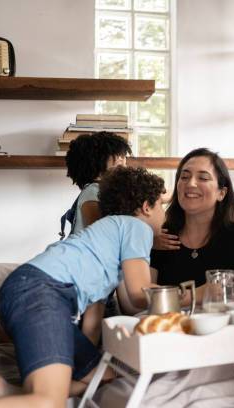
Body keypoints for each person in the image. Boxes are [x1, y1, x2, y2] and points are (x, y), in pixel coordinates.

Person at [0, 166, 166, 408]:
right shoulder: (136, 226)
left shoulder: (102, 247)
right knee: (49, 402)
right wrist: (188, 294)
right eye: (162, 204)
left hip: (29, 292)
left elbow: (92, 324)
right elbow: (140, 293)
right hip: (41, 292)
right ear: (146, 207)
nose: (165, 213)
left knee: (106, 374)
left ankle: (3, 392)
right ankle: (38, 396)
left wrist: (90, 360)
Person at [147, 148, 234, 308]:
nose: (190, 183)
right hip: (170, 331)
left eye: (203, 178)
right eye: (184, 177)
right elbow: (139, 303)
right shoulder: (160, 238)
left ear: (221, 193)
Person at [61, 131, 132, 345]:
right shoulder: (94, 191)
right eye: (117, 159)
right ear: (96, 165)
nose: (123, 163)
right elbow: (101, 232)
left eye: (124, 158)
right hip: (85, 286)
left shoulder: (100, 192)